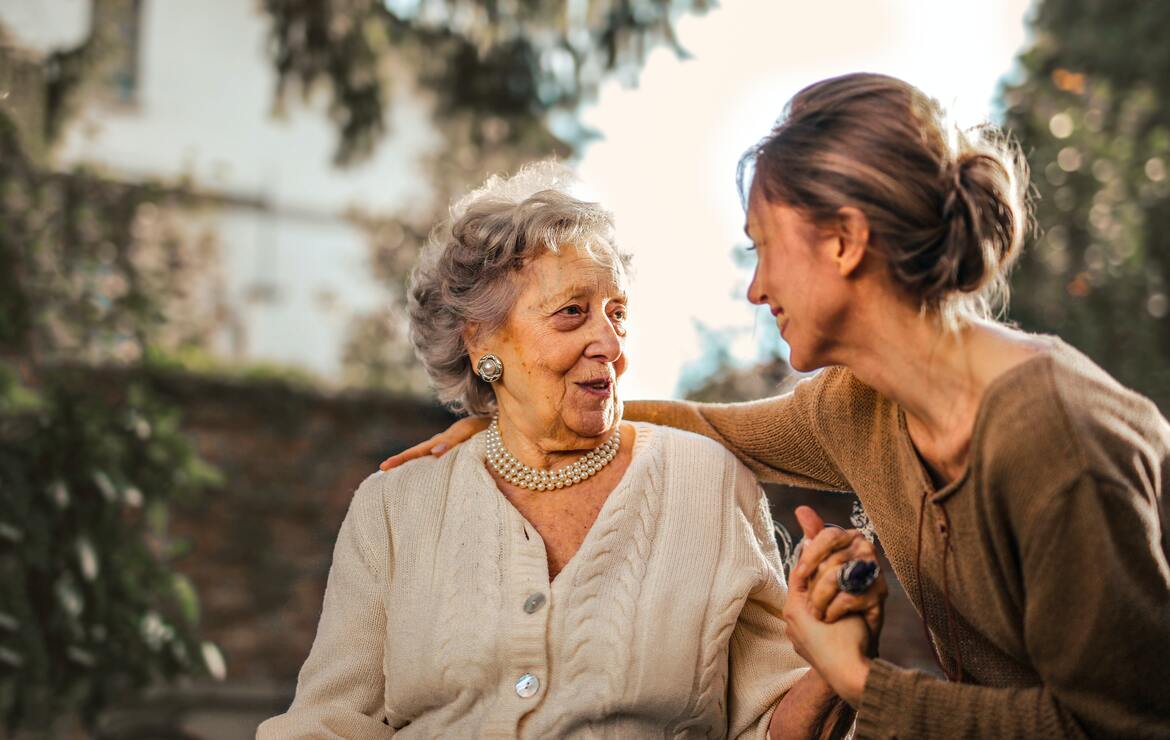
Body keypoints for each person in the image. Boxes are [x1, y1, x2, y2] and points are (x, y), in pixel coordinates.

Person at [381, 74, 1170, 739]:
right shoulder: (858, 407)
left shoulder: (1055, 439)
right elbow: (705, 425)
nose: (755, 288)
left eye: (762, 246)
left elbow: (1121, 725)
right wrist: (513, 413)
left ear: (844, 240)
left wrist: (859, 680)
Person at [260, 164, 883, 738]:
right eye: (571, 314)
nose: (609, 342)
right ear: (482, 344)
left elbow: (769, 726)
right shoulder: (396, 507)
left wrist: (835, 670)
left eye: (617, 313)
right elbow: (329, 723)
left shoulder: (709, 483)